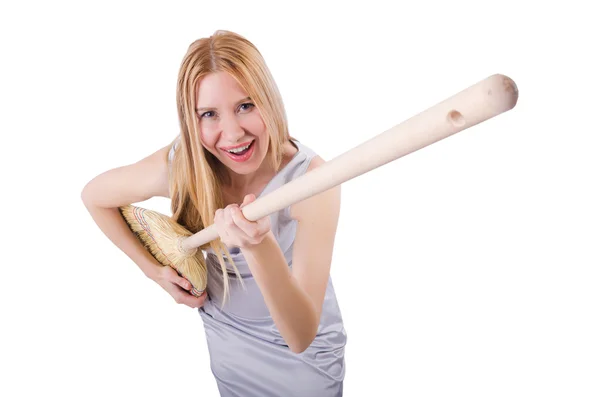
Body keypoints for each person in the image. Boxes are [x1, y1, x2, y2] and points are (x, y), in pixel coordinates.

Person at [81, 30, 347, 397]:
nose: (233, 133)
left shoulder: (314, 180)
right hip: (228, 342)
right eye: (209, 114)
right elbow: (95, 196)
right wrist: (154, 272)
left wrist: (259, 247)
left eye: (246, 106)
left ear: (269, 100)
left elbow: (300, 335)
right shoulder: (185, 166)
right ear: (192, 121)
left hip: (302, 364)